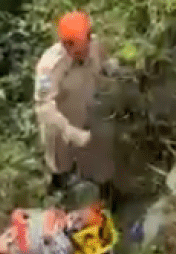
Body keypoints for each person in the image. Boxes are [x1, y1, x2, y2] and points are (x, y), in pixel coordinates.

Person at [34, 10, 119, 198]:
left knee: (94, 153)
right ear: (66, 45)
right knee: (61, 160)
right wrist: (69, 132)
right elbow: (44, 106)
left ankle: (101, 188)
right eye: (79, 50)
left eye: (87, 45)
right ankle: (59, 186)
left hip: (86, 110)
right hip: (60, 121)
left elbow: (105, 62)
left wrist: (113, 69)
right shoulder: (49, 67)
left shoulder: (95, 45)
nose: (85, 52)